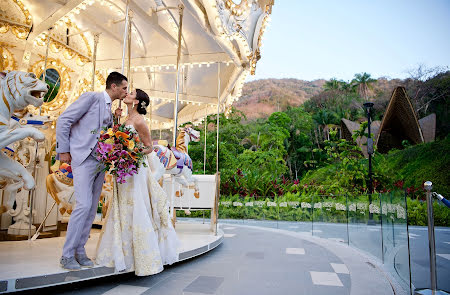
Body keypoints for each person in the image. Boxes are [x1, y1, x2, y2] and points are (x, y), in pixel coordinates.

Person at [96, 89, 179, 276]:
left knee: (135, 206)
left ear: (137, 101)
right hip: (122, 168)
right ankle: (123, 252)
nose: (127, 94)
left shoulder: (139, 121)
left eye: (131, 93)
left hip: (135, 169)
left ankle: (141, 256)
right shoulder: (125, 119)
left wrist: (130, 154)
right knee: (122, 207)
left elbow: (149, 147)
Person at [56, 72, 127, 270]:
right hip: (83, 158)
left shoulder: (109, 107)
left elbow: (103, 132)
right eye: (124, 88)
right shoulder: (92, 98)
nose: (125, 92)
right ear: (113, 87)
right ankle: (67, 254)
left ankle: (80, 250)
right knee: (83, 204)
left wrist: (114, 121)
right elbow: (64, 120)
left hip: (100, 162)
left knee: (91, 208)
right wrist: (63, 150)